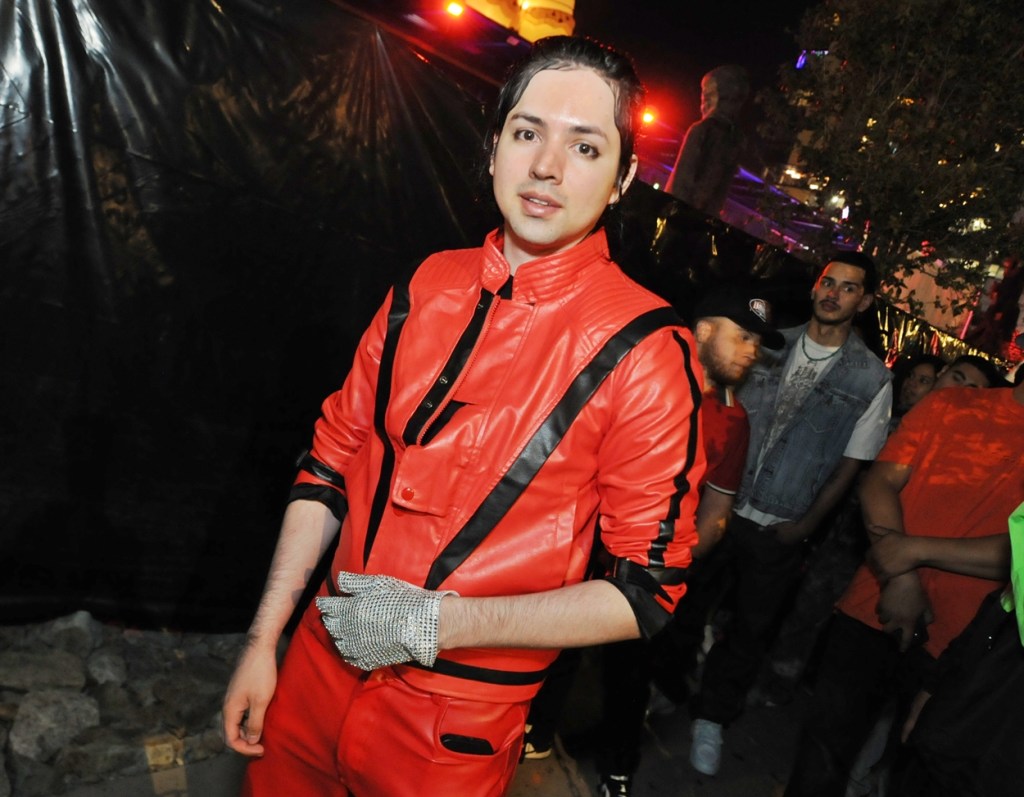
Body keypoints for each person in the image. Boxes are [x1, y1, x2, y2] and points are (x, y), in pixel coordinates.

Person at [222, 35, 706, 797]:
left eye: (585, 146)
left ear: (622, 180)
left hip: (454, 722)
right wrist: (263, 640)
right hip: (315, 665)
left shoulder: (647, 349)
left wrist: (437, 624)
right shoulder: (425, 282)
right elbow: (327, 467)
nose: (546, 167)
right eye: (527, 133)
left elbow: (647, 591)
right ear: (493, 149)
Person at [687, 251, 893, 777]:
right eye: (828, 281)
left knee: (749, 631)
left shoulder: (871, 379)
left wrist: (806, 525)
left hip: (780, 524)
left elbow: (851, 465)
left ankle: (711, 717)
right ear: (815, 286)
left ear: (865, 301)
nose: (833, 293)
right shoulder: (768, 342)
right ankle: (669, 685)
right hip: (719, 504)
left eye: (848, 287)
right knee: (685, 603)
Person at [783, 376, 1024, 797]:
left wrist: (912, 551)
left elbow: (1017, 551)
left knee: (912, 769)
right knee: (822, 754)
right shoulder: (953, 404)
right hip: (874, 605)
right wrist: (900, 577)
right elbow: (878, 482)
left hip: (960, 644)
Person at [588, 283, 784, 797]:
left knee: (631, 669)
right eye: (742, 336)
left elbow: (717, 515)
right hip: (581, 544)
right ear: (703, 330)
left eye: (757, 342)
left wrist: (664, 563)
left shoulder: (733, 419)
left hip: (648, 569)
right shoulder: (638, 375)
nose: (751, 351)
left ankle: (617, 770)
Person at [664, 65, 749, 217]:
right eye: (704, 96)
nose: (703, 104)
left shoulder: (704, 130)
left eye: (708, 96)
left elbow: (681, 183)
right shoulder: (735, 139)